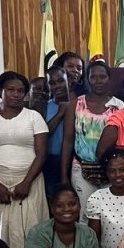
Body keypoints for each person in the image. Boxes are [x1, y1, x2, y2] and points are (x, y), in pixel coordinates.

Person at [0, 71, 49, 248]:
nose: (16, 94)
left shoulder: (33, 117)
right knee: (0, 229)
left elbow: (42, 153)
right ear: (0, 91)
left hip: (30, 180)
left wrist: (26, 182)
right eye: (10, 89)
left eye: (21, 91)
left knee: (30, 228)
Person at [61, 60, 124, 220]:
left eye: (102, 76)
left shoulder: (119, 106)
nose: (98, 80)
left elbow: (122, 141)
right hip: (81, 168)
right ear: (87, 79)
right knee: (85, 215)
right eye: (93, 77)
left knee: (111, 215)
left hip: (111, 170)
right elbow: (68, 141)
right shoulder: (75, 104)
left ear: (108, 79)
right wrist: (64, 175)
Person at [43, 65, 71, 198]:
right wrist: (60, 114)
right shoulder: (45, 107)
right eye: (52, 83)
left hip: (74, 161)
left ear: (68, 81)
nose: (57, 86)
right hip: (51, 162)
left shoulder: (79, 104)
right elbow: (43, 135)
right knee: (54, 199)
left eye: (60, 81)